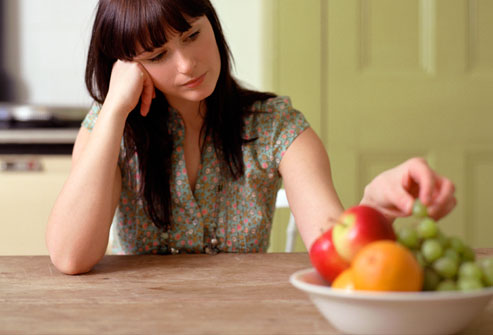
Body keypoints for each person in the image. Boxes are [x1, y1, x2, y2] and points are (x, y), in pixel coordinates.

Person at [46, 0, 456, 275]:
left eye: (192, 35)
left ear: (213, 25)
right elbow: (70, 256)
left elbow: (334, 249)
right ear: (126, 64)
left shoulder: (275, 125)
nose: (187, 64)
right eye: (157, 56)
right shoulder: (110, 130)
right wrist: (116, 108)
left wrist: (375, 206)